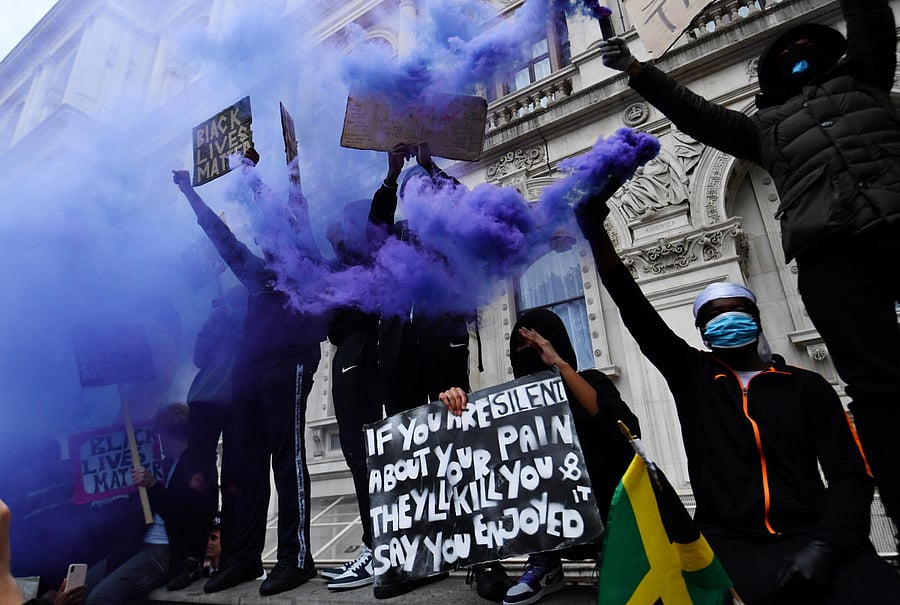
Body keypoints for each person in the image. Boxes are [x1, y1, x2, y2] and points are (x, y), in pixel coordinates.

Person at [598, 0, 900, 543]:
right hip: (832, 252)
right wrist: (640, 72)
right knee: (879, 393)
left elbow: (872, 19)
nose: (798, 56)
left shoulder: (868, 80)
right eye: (786, 55)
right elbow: (698, 117)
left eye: (808, 48)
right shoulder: (765, 129)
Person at [574, 192, 900, 603]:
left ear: (756, 319)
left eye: (735, 310)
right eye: (713, 316)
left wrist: (828, 546)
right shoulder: (693, 376)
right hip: (730, 546)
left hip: (815, 538)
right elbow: (632, 304)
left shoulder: (807, 386)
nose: (727, 320)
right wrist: (595, 233)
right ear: (702, 331)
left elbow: (850, 475)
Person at [173, 167, 326, 596]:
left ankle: (295, 558)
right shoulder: (255, 274)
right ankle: (243, 557)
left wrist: (252, 176)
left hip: (288, 366)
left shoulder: (303, 266)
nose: (263, 239)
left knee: (287, 458)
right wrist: (190, 193)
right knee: (245, 466)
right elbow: (221, 237)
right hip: (250, 373)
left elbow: (291, 218)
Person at [439, 309, 639, 605]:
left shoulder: (591, 380)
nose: (529, 353)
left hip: (604, 506)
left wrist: (559, 363)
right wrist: (457, 406)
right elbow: (472, 455)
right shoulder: (507, 405)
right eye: (520, 348)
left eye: (536, 343)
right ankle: (546, 563)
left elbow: (620, 427)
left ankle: (611, 555)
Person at [365, 143, 473, 599]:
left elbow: (467, 206)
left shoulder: (451, 231)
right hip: (398, 352)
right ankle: (417, 558)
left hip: (442, 344)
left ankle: (477, 557)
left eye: (426, 189)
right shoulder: (396, 236)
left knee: (460, 447)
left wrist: (431, 166)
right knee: (410, 458)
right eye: (414, 191)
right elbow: (373, 230)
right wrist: (392, 176)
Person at [85, 403, 216, 604]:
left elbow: (187, 514)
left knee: (100, 598)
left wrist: (153, 485)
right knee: (81, 586)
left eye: (160, 434)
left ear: (168, 433)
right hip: (139, 544)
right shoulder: (166, 464)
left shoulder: (196, 464)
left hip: (165, 550)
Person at [318, 205, 384, 592]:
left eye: (342, 226)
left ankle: (378, 548)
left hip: (359, 353)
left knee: (362, 454)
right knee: (355, 452)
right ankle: (373, 543)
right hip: (349, 353)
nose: (335, 230)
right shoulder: (342, 265)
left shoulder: (363, 261)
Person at [184, 295, 242, 562]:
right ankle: (193, 555)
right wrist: (215, 321)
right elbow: (200, 356)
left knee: (231, 482)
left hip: (233, 401)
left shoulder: (249, 310)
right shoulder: (218, 316)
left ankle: (226, 554)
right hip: (208, 400)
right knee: (199, 479)